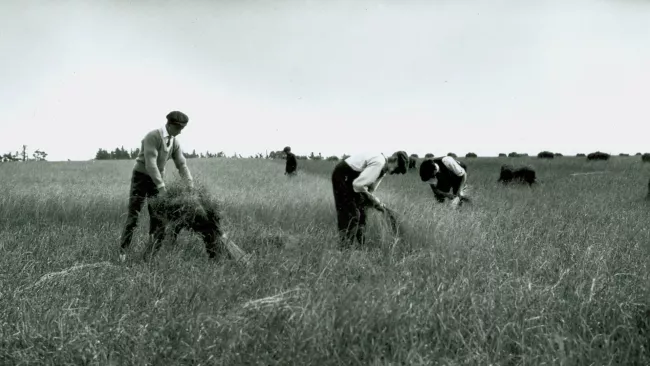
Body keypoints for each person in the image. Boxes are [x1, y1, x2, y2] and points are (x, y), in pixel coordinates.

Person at [119, 111, 194, 262]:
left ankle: (150, 255)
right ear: (171, 125)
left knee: (157, 217)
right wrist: (161, 187)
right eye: (180, 128)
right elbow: (151, 164)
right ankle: (122, 253)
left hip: (156, 179)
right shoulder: (152, 136)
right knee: (134, 216)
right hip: (141, 178)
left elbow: (182, 165)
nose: (181, 132)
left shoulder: (174, 142)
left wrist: (190, 185)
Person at [331, 151, 408, 249]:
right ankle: (345, 248)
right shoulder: (379, 162)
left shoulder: (383, 169)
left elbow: (370, 190)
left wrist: (376, 203)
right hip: (343, 176)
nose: (395, 173)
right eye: (398, 169)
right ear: (395, 159)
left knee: (362, 212)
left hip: (353, 180)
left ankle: (360, 247)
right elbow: (358, 185)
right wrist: (376, 202)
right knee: (352, 214)